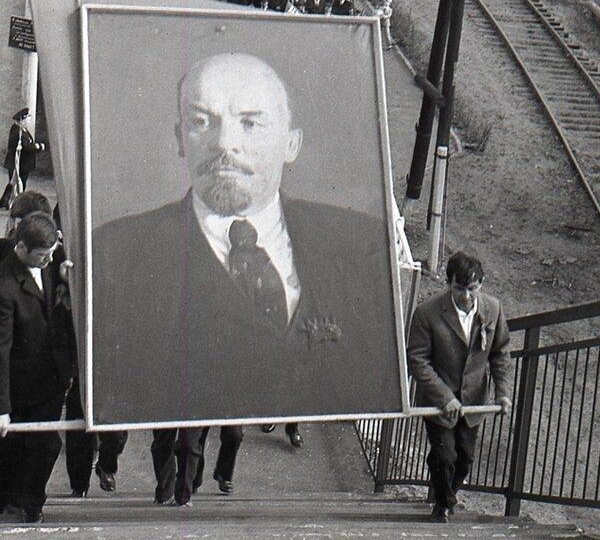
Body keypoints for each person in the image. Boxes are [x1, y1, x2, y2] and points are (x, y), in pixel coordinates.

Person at [92, 52, 400, 425]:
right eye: (201, 122)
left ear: (291, 144)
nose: (225, 143)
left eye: (251, 124)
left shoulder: (363, 244)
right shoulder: (114, 254)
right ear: (180, 139)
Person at [407, 251, 512, 523]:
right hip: (438, 402)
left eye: (472, 289)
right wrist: (444, 397)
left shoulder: (493, 309)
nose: (466, 295)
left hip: (473, 400)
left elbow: (500, 353)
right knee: (444, 456)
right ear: (448, 283)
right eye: (459, 288)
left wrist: (502, 392)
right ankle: (443, 505)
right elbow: (418, 359)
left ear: (482, 284)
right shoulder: (427, 313)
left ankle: (445, 497)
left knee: (465, 459)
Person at [0, 212, 71, 522]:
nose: (50, 260)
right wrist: (1, 407)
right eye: (43, 256)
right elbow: (0, 350)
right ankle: (12, 500)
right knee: (14, 448)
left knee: (45, 444)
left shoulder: (53, 263)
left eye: (51, 252)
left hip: (52, 379)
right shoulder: (4, 286)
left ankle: (32, 504)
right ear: (22, 248)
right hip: (20, 383)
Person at [1, 110, 45, 210]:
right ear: (22, 120)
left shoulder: (22, 130)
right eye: (27, 119)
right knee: (17, 183)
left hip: (23, 163)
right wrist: (38, 147)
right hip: (18, 163)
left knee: (15, 183)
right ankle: (13, 203)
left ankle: (5, 202)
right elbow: (26, 147)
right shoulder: (18, 131)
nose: (29, 121)